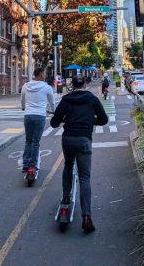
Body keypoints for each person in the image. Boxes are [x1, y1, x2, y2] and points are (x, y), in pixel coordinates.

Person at [51, 75, 108, 233]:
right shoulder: (92, 99)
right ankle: (87, 217)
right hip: (84, 140)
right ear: (84, 84)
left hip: (68, 139)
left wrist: (64, 118)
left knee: (68, 165)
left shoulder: (66, 100)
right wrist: (91, 121)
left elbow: (53, 123)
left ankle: (66, 197)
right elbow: (104, 120)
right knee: (84, 177)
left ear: (72, 86)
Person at [21, 67, 55, 172]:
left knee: (28, 141)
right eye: (44, 73)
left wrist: (23, 107)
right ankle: (33, 165)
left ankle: (25, 164)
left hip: (28, 115)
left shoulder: (25, 86)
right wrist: (53, 110)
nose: (45, 75)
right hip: (39, 116)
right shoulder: (47, 87)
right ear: (40, 75)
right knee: (35, 142)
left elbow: (22, 100)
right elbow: (52, 102)